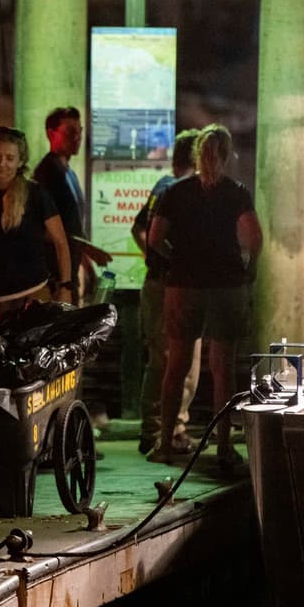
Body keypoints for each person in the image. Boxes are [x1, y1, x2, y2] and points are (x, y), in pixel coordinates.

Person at [148, 124, 262, 473]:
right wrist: (249, 269)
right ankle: (224, 446)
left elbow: (154, 239)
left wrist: (174, 261)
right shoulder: (236, 192)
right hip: (227, 286)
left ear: (197, 154)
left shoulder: (176, 192)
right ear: (227, 156)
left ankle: (165, 443)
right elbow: (253, 238)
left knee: (176, 365)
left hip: (183, 286)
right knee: (222, 368)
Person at [133, 129, 202, 455]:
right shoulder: (181, 191)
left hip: (154, 282)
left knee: (158, 361)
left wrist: (151, 256)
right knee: (182, 364)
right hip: (174, 286)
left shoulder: (160, 187)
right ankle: (172, 431)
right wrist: (176, 260)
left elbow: (138, 229)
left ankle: (152, 430)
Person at [0, 126, 73, 318]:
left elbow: (61, 242)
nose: (2, 163)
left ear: (20, 161)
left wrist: (65, 286)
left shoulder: (35, 194)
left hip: (34, 293)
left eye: (10, 158)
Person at [34, 106, 110, 301]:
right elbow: (46, 228)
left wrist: (86, 264)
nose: (77, 137)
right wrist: (88, 250)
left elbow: (73, 224)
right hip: (54, 275)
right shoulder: (47, 173)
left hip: (68, 273)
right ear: (52, 134)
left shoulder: (68, 172)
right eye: (70, 132)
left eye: (79, 131)